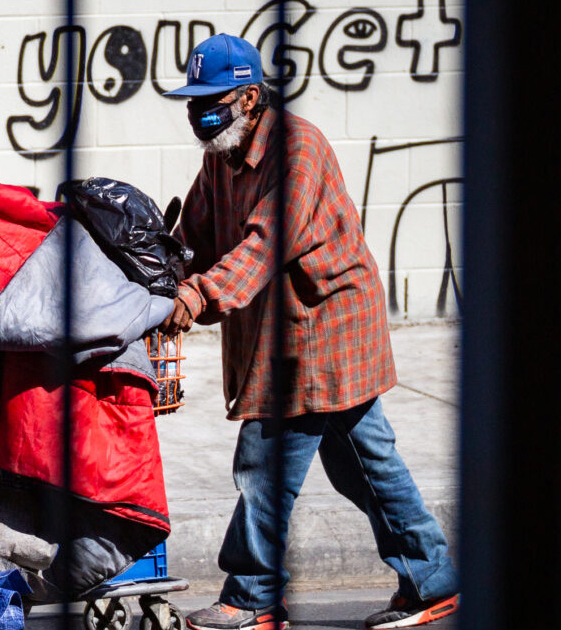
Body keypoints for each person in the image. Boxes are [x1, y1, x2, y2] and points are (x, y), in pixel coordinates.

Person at [158, 34, 460, 630]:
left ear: (248, 97)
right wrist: (159, 269)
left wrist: (197, 294)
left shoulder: (299, 150)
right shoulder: (220, 158)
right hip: (283, 329)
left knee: (264, 461)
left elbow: (264, 244)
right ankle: (433, 579)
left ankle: (252, 597)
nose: (198, 114)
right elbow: (195, 235)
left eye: (210, 100)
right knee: (364, 465)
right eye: (192, 101)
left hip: (323, 327)